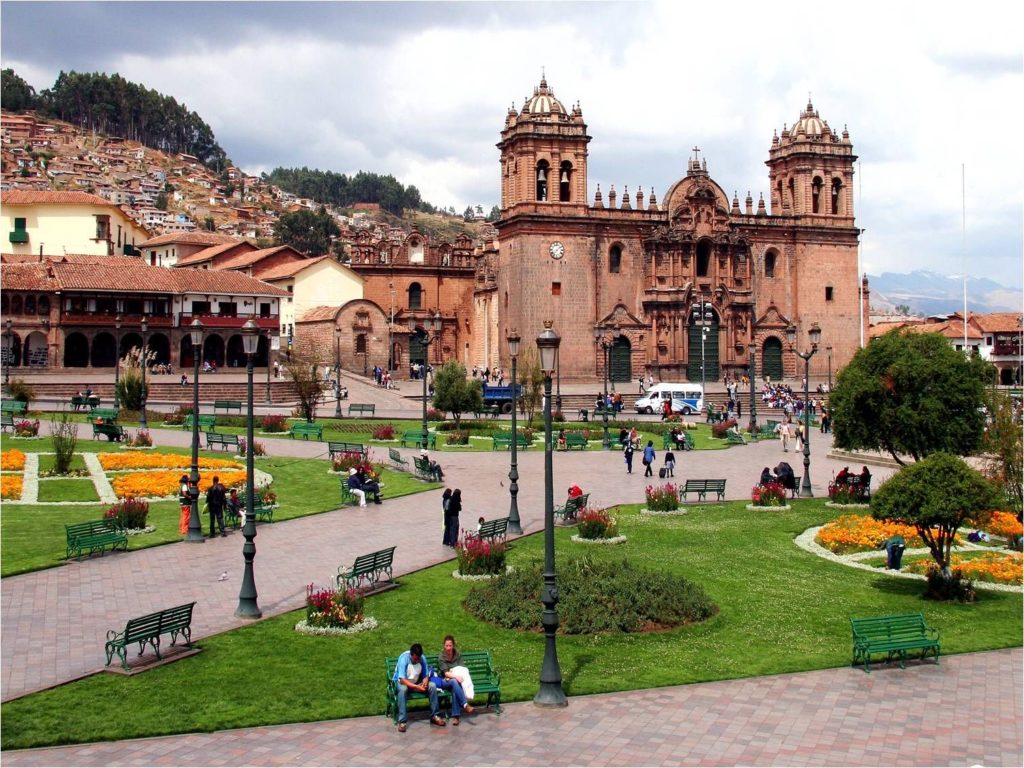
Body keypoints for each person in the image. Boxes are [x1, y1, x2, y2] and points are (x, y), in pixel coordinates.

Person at [392, 642, 443, 731]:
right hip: (402, 682)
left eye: (418, 659)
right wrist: (417, 687)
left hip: (416, 682)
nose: (417, 661)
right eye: (415, 659)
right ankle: (402, 721)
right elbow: (402, 680)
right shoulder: (404, 658)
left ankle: (435, 715)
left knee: (432, 686)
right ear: (411, 655)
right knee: (403, 689)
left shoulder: (422, 658)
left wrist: (425, 683)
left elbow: (425, 675)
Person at [435, 635, 475, 726]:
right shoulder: (441, 656)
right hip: (444, 680)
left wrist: (457, 676)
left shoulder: (458, 654)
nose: (448, 648)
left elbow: (462, 669)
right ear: (444, 646)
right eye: (446, 646)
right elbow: (445, 673)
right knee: (454, 682)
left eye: (450, 645)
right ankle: (465, 705)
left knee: (455, 687)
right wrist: (456, 677)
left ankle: (456, 717)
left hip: (456, 680)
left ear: (453, 645)